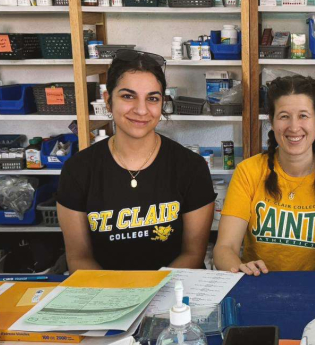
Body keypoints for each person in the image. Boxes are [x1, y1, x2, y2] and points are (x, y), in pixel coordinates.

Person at [57, 50, 216, 271]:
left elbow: (193, 254)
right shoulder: (78, 170)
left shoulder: (191, 168)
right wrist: (118, 298)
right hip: (105, 294)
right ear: (108, 101)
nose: (141, 110)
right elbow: (79, 258)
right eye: (128, 96)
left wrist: (150, 292)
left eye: (152, 98)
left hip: (173, 294)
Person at [214, 76, 315, 275]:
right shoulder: (248, 172)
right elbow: (224, 248)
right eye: (284, 116)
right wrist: (239, 268)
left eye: (303, 115)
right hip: (257, 286)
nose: (294, 127)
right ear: (271, 120)